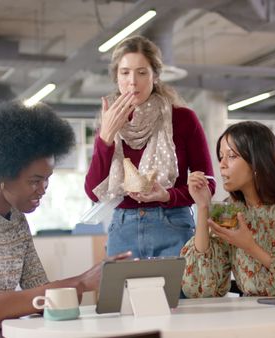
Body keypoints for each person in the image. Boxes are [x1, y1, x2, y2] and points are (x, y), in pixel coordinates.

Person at [0, 102, 131, 338]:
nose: (43, 189)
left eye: (47, 179)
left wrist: (86, 283)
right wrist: (81, 283)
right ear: (4, 171)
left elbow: (39, 290)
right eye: (34, 181)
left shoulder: (17, 220)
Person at [84, 35, 215, 259]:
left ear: (155, 76)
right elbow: (93, 192)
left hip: (173, 224)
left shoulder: (183, 119)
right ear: (116, 77)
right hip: (122, 228)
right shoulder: (109, 122)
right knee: (123, 295)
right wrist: (105, 137)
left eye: (141, 72)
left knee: (177, 295)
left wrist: (166, 195)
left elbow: (208, 185)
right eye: (125, 72)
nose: (132, 81)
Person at [182, 121, 275, 298]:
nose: (222, 164)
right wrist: (203, 207)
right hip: (252, 315)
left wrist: (250, 246)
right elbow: (202, 289)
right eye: (221, 156)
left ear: (257, 161)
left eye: (232, 156)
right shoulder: (231, 210)